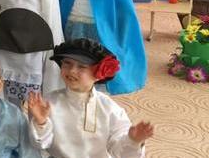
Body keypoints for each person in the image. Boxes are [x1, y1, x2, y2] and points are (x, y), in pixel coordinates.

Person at [26, 38, 154, 158]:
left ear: (99, 74)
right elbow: (40, 144)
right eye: (67, 63)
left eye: (81, 66)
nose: (72, 71)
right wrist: (41, 123)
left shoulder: (110, 109)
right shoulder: (48, 103)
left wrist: (133, 141)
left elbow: (119, 152)